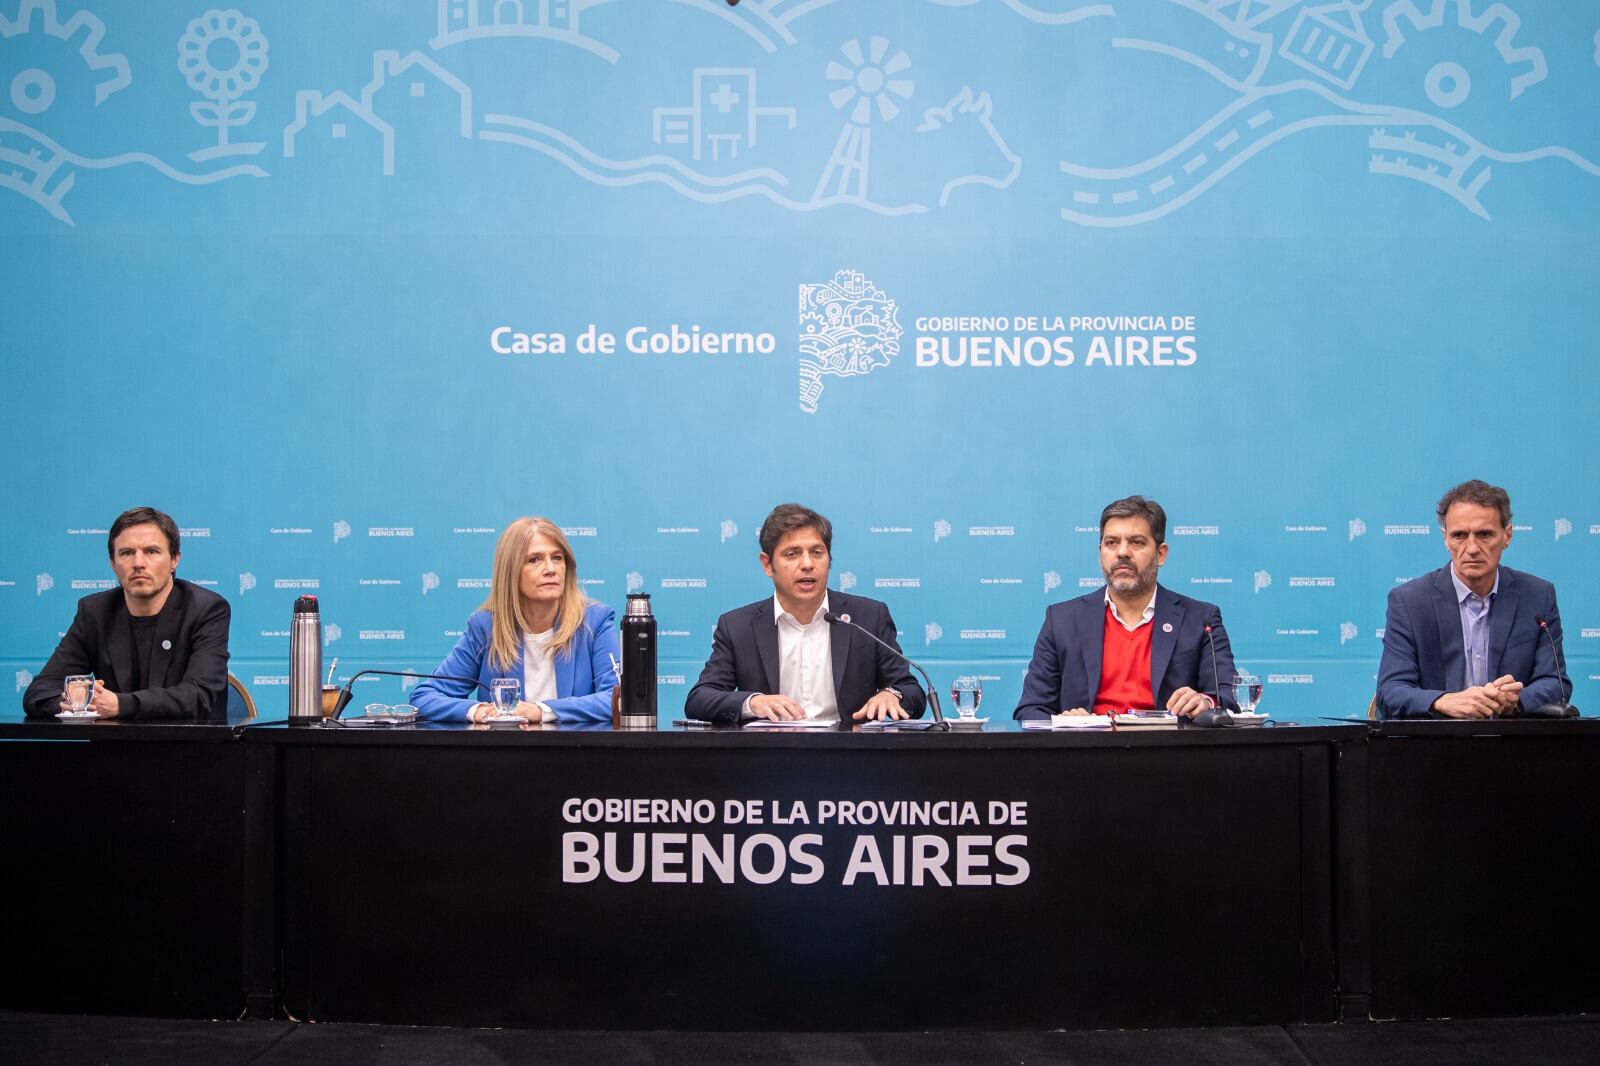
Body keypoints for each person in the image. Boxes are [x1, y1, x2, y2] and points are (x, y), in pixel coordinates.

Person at [685, 503, 926, 728]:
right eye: (792, 554)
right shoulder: (738, 626)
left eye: (817, 552)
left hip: (849, 752)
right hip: (769, 753)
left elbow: (911, 691)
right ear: (767, 564)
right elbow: (700, 698)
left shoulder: (867, 617)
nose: (808, 564)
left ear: (829, 559)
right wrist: (753, 702)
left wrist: (892, 695)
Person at [1014, 495, 1236, 720]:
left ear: (1160, 554)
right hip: (1088, 742)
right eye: (1111, 543)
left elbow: (1228, 695)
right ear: (1100, 552)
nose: (1122, 552)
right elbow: (1031, 709)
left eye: (1136, 542)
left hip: (1168, 741)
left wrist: (1206, 702)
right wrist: (1065, 725)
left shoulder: (1201, 619)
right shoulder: (1061, 620)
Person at [1376, 480, 1569, 719]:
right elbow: (1390, 690)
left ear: (1507, 535)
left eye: (1484, 534)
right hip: (1435, 738)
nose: (1472, 548)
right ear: (1445, 539)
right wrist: (1443, 701)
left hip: (1511, 738)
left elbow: (1555, 682)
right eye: (1459, 535)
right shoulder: (1410, 602)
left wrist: (1517, 701)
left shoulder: (1538, 596)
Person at [23, 507, 231, 720]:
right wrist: (77, 703)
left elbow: (199, 695)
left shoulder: (206, 609)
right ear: (113, 563)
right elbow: (40, 692)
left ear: (174, 559)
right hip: (114, 741)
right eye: (127, 553)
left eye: (152, 551)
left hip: (188, 740)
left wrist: (120, 704)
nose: (138, 563)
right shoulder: (95, 612)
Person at [412, 517, 619, 724]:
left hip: (576, 745)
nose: (550, 569)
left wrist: (542, 711)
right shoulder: (486, 627)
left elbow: (619, 699)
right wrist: (477, 711)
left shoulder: (594, 621)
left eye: (557, 558)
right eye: (534, 560)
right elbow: (425, 697)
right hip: (506, 745)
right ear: (510, 571)